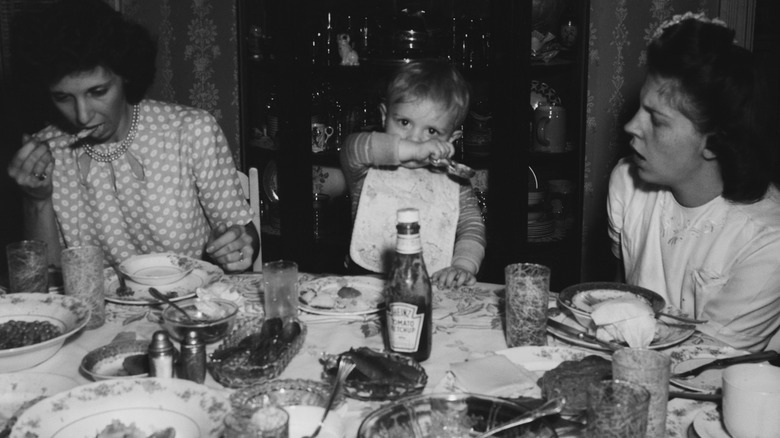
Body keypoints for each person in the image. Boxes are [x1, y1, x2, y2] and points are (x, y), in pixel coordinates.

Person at [6, 0, 259, 272]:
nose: (81, 116)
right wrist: (37, 199)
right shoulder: (47, 152)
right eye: (63, 97)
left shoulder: (191, 131)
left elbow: (244, 235)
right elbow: (46, 279)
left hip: (188, 305)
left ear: (126, 76)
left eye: (98, 92)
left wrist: (238, 245)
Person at [608, 12, 780, 351]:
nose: (631, 126)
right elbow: (619, 302)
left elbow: (706, 364)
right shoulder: (627, 183)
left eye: (656, 120)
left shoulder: (767, 242)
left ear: (714, 142)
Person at [340, 60, 486, 288]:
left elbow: (472, 227)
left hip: (429, 288)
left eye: (432, 131)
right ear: (384, 116)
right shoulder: (367, 166)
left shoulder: (454, 182)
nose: (415, 138)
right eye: (405, 122)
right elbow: (353, 146)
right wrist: (416, 151)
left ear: (451, 139)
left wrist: (463, 266)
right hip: (366, 286)